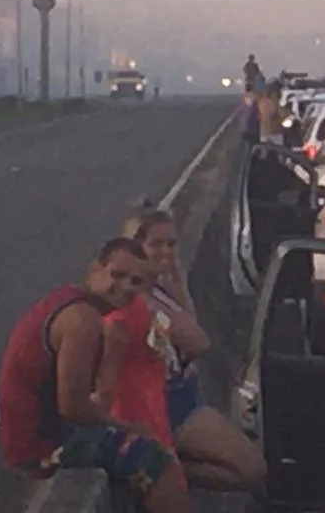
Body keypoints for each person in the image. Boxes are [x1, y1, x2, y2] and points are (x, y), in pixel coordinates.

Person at [0, 239, 188, 513]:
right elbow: (73, 407)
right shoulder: (82, 321)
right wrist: (128, 428)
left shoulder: (71, 299)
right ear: (95, 269)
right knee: (158, 461)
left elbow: (92, 395)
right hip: (43, 445)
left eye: (133, 282)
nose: (122, 287)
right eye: (116, 274)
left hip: (42, 433)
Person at [110, 205, 266, 493]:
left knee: (253, 467)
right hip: (167, 403)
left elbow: (189, 323)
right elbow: (199, 341)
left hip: (181, 394)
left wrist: (176, 274)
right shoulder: (140, 301)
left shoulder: (155, 289)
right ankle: (160, 467)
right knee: (253, 470)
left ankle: (165, 466)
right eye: (156, 244)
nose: (166, 251)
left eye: (171, 244)